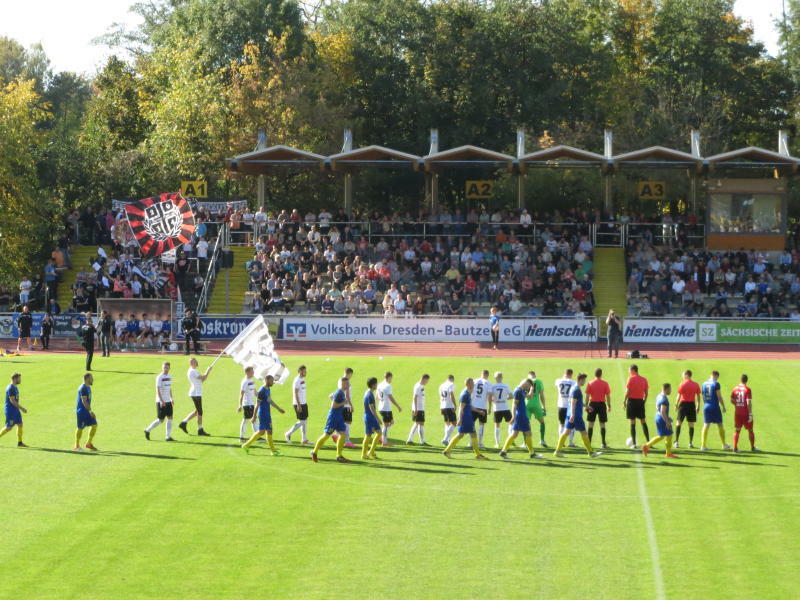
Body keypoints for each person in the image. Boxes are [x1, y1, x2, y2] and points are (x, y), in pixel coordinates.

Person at [553, 373, 602, 457]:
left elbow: (576, 401)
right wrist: (573, 414)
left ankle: (557, 451)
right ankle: (590, 452)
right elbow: (573, 402)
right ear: (580, 380)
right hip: (576, 415)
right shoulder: (576, 390)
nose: (584, 382)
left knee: (565, 432)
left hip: (570, 414)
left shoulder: (574, 388)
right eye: (584, 380)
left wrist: (586, 406)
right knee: (584, 433)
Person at [442, 378, 488, 460]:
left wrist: (479, 411)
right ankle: (478, 455)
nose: (474, 385)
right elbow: (461, 407)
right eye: (472, 383)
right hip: (466, 418)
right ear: (468, 384)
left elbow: (469, 406)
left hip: (467, 417)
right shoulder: (465, 394)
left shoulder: (467, 393)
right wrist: (460, 419)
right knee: (472, 434)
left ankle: (447, 450)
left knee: (461, 434)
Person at [499, 378, 543, 459]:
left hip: (521, 415)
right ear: (525, 384)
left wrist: (532, 389)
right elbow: (514, 404)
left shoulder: (522, 390)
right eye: (528, 386)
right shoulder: (518, 391)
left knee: (514, 434)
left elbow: (529, 397)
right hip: (521, 416)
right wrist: (513, 416)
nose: (528, 388)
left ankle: (503, 451)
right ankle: (532, 453)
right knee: (528, 433)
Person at [311, 377, 351, 463]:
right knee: (326, 435)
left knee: (343, 435)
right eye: (347, 383)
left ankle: (339, 456)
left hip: (339, 417)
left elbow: (331, 396)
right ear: (343, 384)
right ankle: (314, 452)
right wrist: (344, 403)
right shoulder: (339, 393)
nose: (349, 385)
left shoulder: (341, 393)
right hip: (333, 418)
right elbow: (333, 406)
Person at [242, 375, 285, 455]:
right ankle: (273, 451)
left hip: (266, 413)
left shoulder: (267, 389)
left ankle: (246, 445)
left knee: (261, 432)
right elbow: (257, 405)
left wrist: (278, 408)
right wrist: (254, 416)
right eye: (271, 381)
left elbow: (270, 400)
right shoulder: (262, 391)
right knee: (269, 431)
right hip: (264, 414)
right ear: (267, 380)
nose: (273, 383)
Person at [179, 358, 213, 436]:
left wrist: (207, 373)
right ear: (191, 363)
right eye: (195, 361)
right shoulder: (193, 371)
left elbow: (202, 380)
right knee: (200, 412)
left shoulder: (192, 370)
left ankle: (184, 423)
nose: (197, 362)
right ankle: (200, 430)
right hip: (196, 393)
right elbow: (203, 377)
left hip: (196, 392)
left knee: (197, 411)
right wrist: (208, 370)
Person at [642, 383, 677, 458]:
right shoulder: (664, 399)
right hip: (662, 418)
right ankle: (668, 453)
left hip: (658, 417)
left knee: (662, 436)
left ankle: (647, 446)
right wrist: (667, 421)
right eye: (670, 389)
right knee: (669, 434)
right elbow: (662, 411)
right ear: (666, 389)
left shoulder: (659, 396)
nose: (671, 391)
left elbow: (658, 409)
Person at [144, 362, 175, 441]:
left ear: (169, 368)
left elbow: (169, 388)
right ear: (162, 368)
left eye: (167, 367)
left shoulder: (169, 376)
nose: (165, 369)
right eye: (164, 367)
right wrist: (161, 401)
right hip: (161, 401)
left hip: (168, 401)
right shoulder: (159, 377)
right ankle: (147, 430)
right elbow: (157, 390)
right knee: (161, 420)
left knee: (170, 418)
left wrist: (171, 398)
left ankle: (168, 436)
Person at [701, 371, 730, 451]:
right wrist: (723, 406)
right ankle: (724, 444)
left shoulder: (703, 383)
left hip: (706, 406)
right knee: (720, 424)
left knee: (706, 425)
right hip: (714, 406)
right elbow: (719, 396)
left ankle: (703, 445)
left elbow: (703, 395)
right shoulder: (716, 384)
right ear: (716, 376)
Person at [623, 364, 650, 449]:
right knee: (643, 421)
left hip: (631, 402)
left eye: (629, 370)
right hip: (640, 402)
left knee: (632, 422)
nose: (629, 372)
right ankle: (649, 442)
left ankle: (634, 444)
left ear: (633, 370)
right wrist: (643, 402)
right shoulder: (644, 379)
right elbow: (646, 393)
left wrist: (624, 401)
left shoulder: (630, 379)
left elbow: (627, 391)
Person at [731, 374, 759, 452]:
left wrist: (737, 405)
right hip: (746, 413)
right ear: (746, 380)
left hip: (737, 413)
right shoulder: (748, 389)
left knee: (737, 430)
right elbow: (748, 402)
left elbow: (732, 400)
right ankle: (752, 447)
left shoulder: (735, 388)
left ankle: (735, 448)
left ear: (740, 379)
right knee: (750, 430)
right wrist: (750, 414)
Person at [674, 370, 701, 449]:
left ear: (686, 375)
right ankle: (690, 443)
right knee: (691, 424)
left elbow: (679, 395)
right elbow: (698, 396)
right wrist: (698, 406)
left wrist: (676, 404)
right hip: (691, 405)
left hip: (683, 405)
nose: (682, 376)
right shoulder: (695, 384)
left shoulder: (682, 384)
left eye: (683, 375)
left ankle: (676, 442)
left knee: (678, 423)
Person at [585, 368, 611, 449]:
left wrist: (586, 405)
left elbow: (587, 395)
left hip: (592, 404)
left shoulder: (590, 383)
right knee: (602, 424)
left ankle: (589, 443)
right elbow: (608, 395)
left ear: (594, 374)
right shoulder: (605, 383)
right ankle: (603, 443)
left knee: (591, 424)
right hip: (601, 405)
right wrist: (609, 405)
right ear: (601, 374)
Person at [284, 365, 310, 444]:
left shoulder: (302, 379)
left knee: (305, 420)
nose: (305, 372)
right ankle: (288, 434)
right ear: (299, 371)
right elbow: (295, 393)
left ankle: (304, 439)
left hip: (303, 402)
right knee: (302, 421)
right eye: (304, 371)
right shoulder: (297, 380)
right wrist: (298, 405)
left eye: (305, 371)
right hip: (298, 403)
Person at [73, 373, 98, 451]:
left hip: (87, 411)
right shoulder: (83, 388)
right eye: (91, 378)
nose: (92, 380)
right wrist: (90, 411)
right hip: (82, 412)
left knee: (94, 425)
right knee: (80, 428)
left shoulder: (88, 387)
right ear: (87, 379)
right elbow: (84, 401)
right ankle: (76, 446)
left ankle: (88, 444)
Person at [1, 373, 27, 447]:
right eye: (19, 378)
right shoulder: (11, 388)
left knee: (20, 424)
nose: (20, 380)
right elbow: (12, 401)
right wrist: (22, 408)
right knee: (9, 427)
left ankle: (20, 443)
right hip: (10, 411)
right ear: (15, 379)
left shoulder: (15, 387)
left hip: (15, 410)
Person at [377, 372, 402, 446]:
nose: (391, 380)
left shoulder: (379, 385)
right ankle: (384, 442)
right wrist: (398, 406)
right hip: (386, 408)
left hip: (381, 407)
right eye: (391, 378)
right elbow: (390, 397)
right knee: (386, 425)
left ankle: (382, 437)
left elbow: (377, 396)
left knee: (391, 423)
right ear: (389, 377)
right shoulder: (388, 386)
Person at [361, 377, 383, 459]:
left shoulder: (368, 392)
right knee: (368, 435)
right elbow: (372, 408)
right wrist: (378, 418)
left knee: (379, 433)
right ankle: (364, 454)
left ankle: (371, 451)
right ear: (373, 385)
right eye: (376, 383)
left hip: (370, 417)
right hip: (370, 417)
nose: (377, 385)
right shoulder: (369, 394)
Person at [555, 369, 577, 447]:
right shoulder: (573, 382)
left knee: (561, 424)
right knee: (571, 424)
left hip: (561, 405)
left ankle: (561, 442)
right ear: (571, 374)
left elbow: (558, 383)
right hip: (570, 406)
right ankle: (571, 442)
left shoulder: (558, 381)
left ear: (564, 373)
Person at [525, 370, 547, 448]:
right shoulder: (539, 381)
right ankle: (542, 440)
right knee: (542, 422)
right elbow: (542, 395)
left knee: (526, 423)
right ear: (535, 375)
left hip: (527, 404)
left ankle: (525, 443)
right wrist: (544, 407)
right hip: (536, 404)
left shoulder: (526, 381)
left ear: (528, 376)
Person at [489, 372, 512, 448]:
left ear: (495, 378)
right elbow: (511, 396)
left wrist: (493, 400)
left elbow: (490, 397)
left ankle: (497, 443)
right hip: (505, 407)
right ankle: (510, 440)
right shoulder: (506, 386)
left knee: (497, 426)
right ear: (502, 378)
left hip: (497, 408)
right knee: (511, 423)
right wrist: (504, 399)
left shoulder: (492, 386)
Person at [406, 374, 430, 445]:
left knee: (420, 423)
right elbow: (415, 397)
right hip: (418, 408)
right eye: (427, 380)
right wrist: (416, 409)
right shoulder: (418, 386)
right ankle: (410, 440)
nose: (427, 382)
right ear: (424, 379)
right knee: (418, 423)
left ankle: (420, 441)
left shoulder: (421, 386)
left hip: (420, 408)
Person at [238, 366, 259, 442]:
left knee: (254, 419)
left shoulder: (251, 381)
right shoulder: (245, 382)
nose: (253, 373)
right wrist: (240, 405)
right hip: (247, 404)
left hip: (251, 403)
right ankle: (242, 437)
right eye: (252, 371)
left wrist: (261, 397)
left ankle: (256, 435)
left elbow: (255, 392)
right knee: (247, 420)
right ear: (247, 372)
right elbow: (241, 394)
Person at [472, 369, 491, 448]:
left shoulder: (474, 381)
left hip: (473, 405)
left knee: (471, 424)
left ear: (481, 374)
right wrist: (490, 407)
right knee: (481, 425)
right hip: (482, 406)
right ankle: (479, 443)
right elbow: (490, 396)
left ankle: (471, 442)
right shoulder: (488, 383)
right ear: (487, 375)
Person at [340, 367, 357, 448]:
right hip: (346, 405)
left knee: (344, 422)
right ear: (349, 373)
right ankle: (347, 441)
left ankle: (337, 435)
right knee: (348, 423)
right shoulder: (347, 382)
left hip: (341, 404)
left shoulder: (340, 380)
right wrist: (351, 405)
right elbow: (347, 395)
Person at [439, 374, 457, 446]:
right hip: (449, 406)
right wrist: (455, 404)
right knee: (454, 423)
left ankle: (448, 439)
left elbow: (440, 397)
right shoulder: (451, 384)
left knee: (447, 423)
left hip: (443, 406)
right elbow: (451, 394)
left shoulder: (441, 385)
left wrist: (440, 407)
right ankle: (445, 439)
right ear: (452, 379)